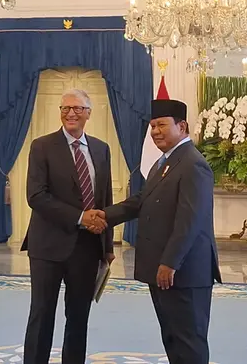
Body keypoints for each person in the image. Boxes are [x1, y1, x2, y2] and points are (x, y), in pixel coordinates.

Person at [99, 98, 222, 363]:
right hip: (165, 271)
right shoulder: (165, 162)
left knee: (189, 341)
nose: (155, 131)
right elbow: (142, 200)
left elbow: (190, 220)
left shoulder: (193, 164)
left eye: (162, 125)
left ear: (182, 126)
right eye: (152, 126)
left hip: (184, 272)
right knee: (172, 337)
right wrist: (105, 215)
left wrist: (170, 262)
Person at [22, 88, 114, 364]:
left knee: (78, 316)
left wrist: (107, 246)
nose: (70, 113)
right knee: (42, 314)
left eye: (77, 109)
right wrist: (80, 217)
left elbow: (105, 198)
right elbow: (36, 196)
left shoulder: (101, 149)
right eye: (65, 109)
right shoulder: (42, 146)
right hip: (47, 246)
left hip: (87, 248)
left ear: (88, 113)